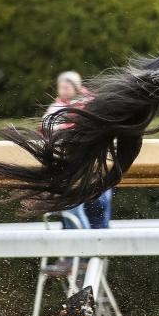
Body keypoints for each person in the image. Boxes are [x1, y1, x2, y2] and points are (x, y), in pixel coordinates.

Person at [42, 71, 112, 275]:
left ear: (75, 87)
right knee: (70, 210)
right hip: (72, 170)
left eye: (65, 87)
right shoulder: (57, 107)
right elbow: (46, 130)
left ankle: (85, 252)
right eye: (60, 87)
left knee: (83, 210)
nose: (61, 90)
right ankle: (76, 255)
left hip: (92, 170)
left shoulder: (88, 104)